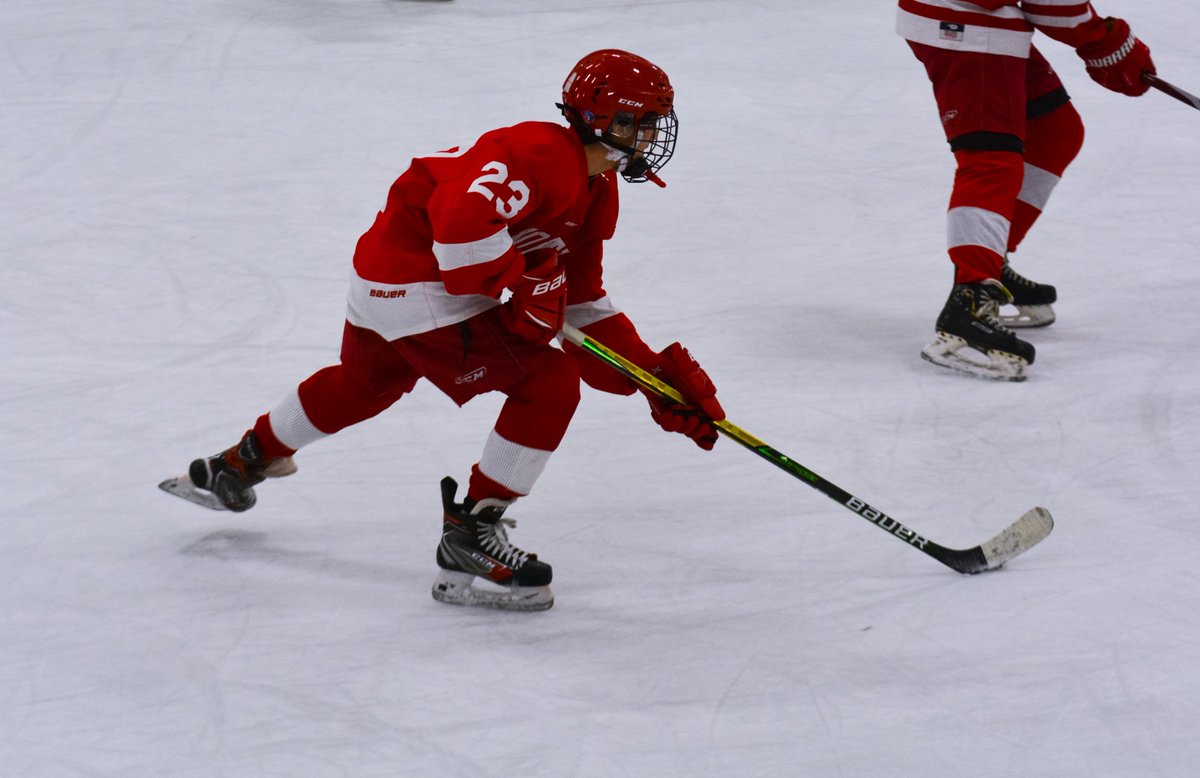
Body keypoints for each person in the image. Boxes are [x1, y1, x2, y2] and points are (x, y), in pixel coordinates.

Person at [166, 50, 725, 611]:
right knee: (548, 380)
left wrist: (651, 375)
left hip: (386, 273)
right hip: (419, 283)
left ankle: (238, 462)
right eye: (644, 120)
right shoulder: (542, 155)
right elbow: (458, 233)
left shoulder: (596, 190)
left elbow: (579, 301)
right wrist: (523, 279)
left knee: (365, 384)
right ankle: (470, 536)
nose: (653, 134)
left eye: (656, 121)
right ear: (610, 122)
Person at [896, 0, 1156, 380]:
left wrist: (1104, 44)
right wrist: (1106, 44)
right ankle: (970, 302)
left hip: (982, 15)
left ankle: (989, 264)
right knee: (990, 159)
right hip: (966, 20)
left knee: (1054, 130)